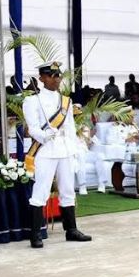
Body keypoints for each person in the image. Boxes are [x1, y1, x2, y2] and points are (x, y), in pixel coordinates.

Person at [22, 62, 92, 248]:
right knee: (41, 191)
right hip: (45, 150)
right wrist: (44, 135)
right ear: (42, 78)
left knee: (68, 190)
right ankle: (36, 234)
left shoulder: (66, 101)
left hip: (65, 149)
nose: (56, 79)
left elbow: (70, 128)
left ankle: (71, 230)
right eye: (51, 76)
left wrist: (75, 152)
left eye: (58, 76)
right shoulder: (32, 101)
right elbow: (32, 128)